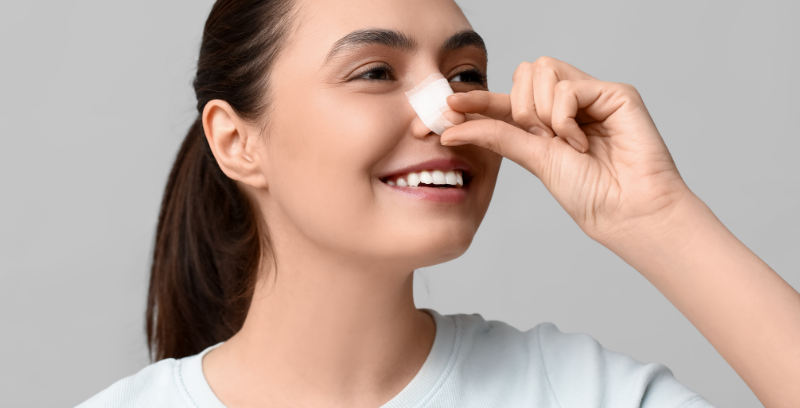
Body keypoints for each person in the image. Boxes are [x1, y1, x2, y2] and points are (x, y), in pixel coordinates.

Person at [78, 0, 800, 407]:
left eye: (464, 74)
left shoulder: (578, 393)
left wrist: (656, 217)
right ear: (237, 142)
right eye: (374, 72)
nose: (446, 112)